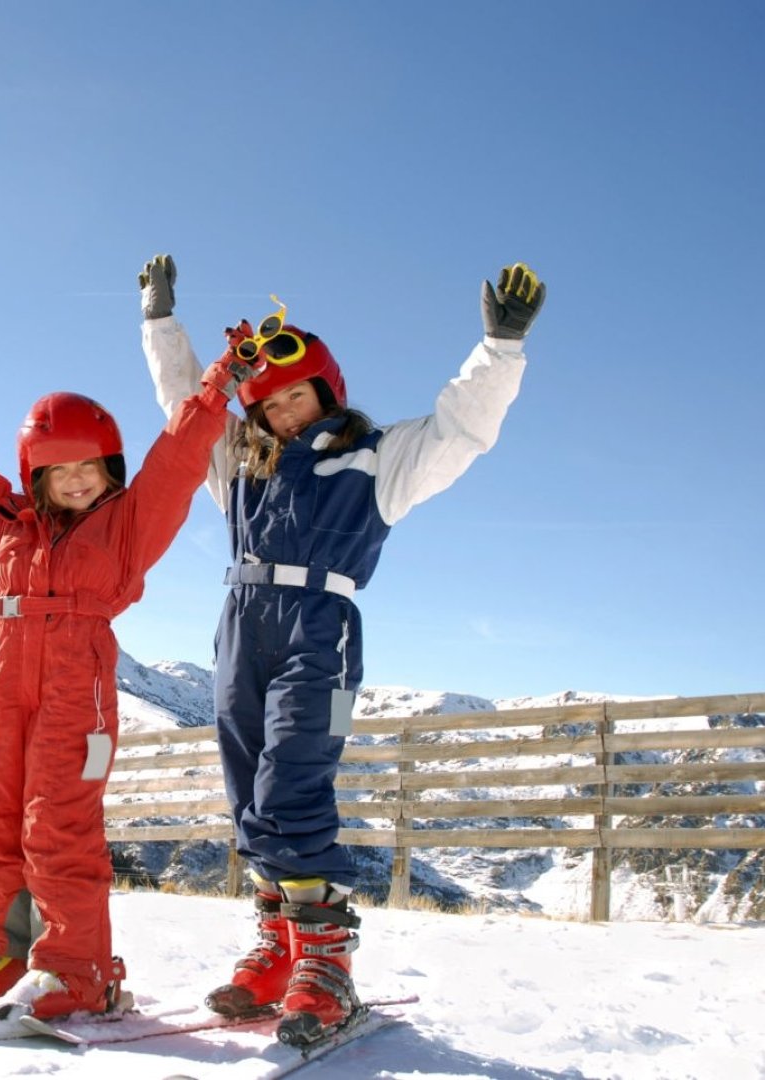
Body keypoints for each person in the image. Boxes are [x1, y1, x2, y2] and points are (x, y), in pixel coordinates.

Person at [138, 255, 545, 1045]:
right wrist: (161, 322)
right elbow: (182, 399)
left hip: (321, 627)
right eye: (268, 403)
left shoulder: (377, 460)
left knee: (293, 781)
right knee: (248, 791)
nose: (284, 412)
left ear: (327, 390)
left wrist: (500, 349)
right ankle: (278, 947)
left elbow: (462, 428)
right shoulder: (238, 463)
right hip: (240, 623)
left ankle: (327, 969)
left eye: (296, 394)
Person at [0, 340, 267, 1020]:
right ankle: (1, 954)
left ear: (110, 469)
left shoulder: (128, 524)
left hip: (81, 688)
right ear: (33, 474)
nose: (76, 479)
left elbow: (178, 458)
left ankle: (77, 971)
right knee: (0, 817)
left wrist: (219, 383)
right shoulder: (3, 524)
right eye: (58, 467)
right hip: (4, 677)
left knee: (59, 824)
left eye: (91, 465)